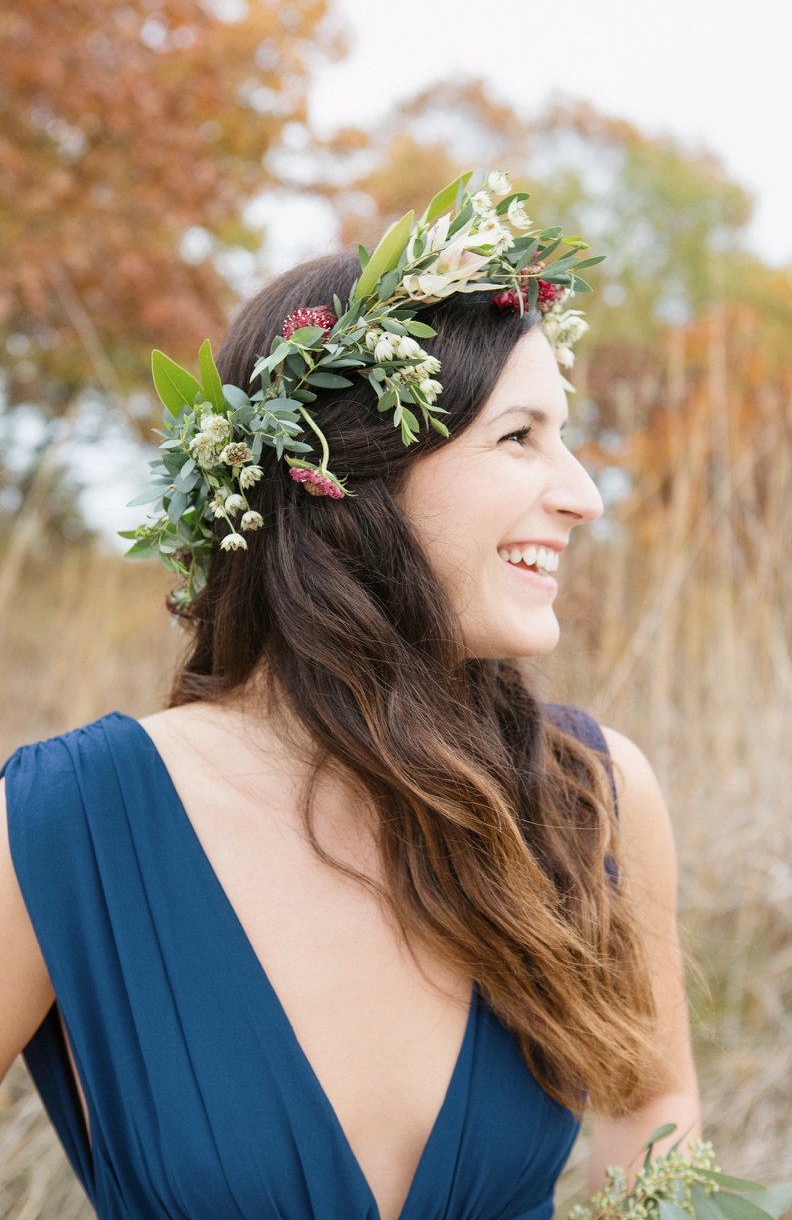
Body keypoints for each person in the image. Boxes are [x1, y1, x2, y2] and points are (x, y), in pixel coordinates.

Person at [0, 174, 701, 1219]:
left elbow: (655, 1102)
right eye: (521, 438)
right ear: (350, 476)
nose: (584, 494)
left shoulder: (588, 793)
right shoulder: (70, 821)